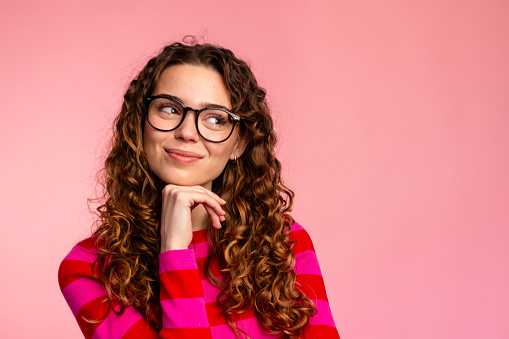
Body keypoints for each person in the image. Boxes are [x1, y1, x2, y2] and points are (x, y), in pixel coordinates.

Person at [58, 39, 340, 339]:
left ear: (240, 143)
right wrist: (175, 254)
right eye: (168, 108)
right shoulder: (88, 269)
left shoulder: (285, 244)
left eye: (216, 118)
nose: (187, 132)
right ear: (139, 123)